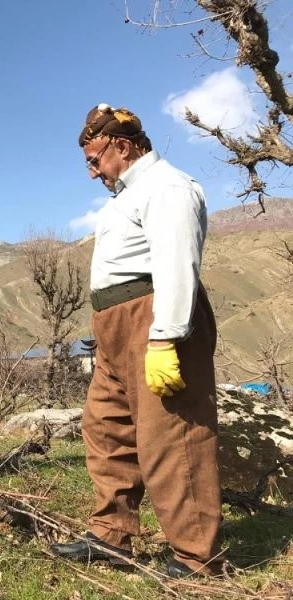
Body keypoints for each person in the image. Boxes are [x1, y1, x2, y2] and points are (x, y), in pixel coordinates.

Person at [49, 104, 223, 578]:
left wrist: (165, 338)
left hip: (153, 320)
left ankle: (194, 556)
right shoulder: (127, 194)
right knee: (106, 428)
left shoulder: (167, 187)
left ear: (123, 146)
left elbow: (175, 262)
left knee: (173, 436)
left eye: (95, 159)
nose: (92, 172)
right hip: (115, 328)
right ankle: (112, 537)